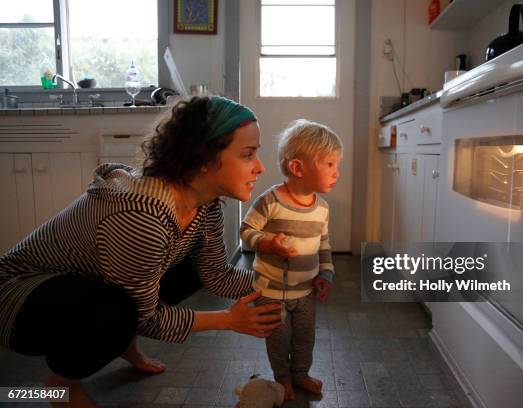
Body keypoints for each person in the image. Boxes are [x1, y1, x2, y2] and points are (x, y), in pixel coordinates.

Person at [0, 96, 282, 408]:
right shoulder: (141, 218)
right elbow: (146, 317)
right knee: (118, 311)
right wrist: (228, 320)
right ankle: (61, 386)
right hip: (18, 297)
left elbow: (215, 274)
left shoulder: (206, 206)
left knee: (188, 271)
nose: (261, 166)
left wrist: (281, 286)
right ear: (203, 158)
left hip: (86, 284)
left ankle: (125, 347)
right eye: (248, 154)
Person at [240, 119, 342, 400]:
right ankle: (282, 377)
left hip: (306, 290)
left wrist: (326, 274)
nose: (337, 172)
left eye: (337, 165)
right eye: (330, 164)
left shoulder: (321, 208)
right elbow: (246, 231)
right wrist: (268, 244)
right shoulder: (269, 202)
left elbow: (323, 243)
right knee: (278, 338)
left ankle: (301, 373)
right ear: (298, 168)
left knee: (305, 337)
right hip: (271, 291)